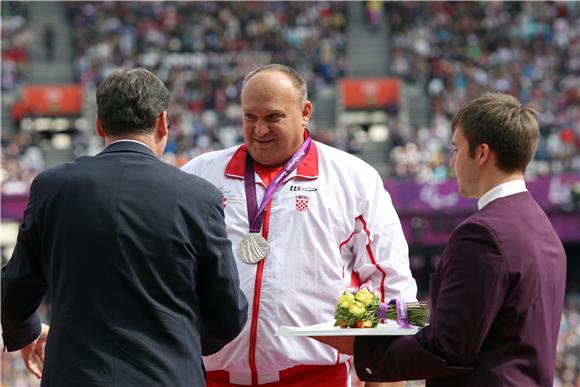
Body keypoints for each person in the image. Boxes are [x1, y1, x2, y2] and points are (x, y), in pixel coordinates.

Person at [1, 68, 248, 387]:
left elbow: (16, 289)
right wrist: (177, 343)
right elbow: (228, 313)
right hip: (167, 376)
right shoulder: (197, 197)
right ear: (163, 122)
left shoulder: (52, 188)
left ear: (99, 125)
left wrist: (28, 332)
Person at [181, 64, 417, 386]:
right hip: (208, 376)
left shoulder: (354, 178)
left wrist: (386, 371)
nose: (260, 130)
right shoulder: (200, 174)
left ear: (304, 112)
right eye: (250, 117)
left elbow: (393, 282)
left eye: (273, 117)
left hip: (317, 377)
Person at [313, 92, 567, 386]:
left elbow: (448, 346)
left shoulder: (483, 234)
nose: (452, 160)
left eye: (456, 149)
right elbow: (473, 315)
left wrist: (362, 349)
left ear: (482, 153)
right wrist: (379, 312)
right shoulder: (542, 226)